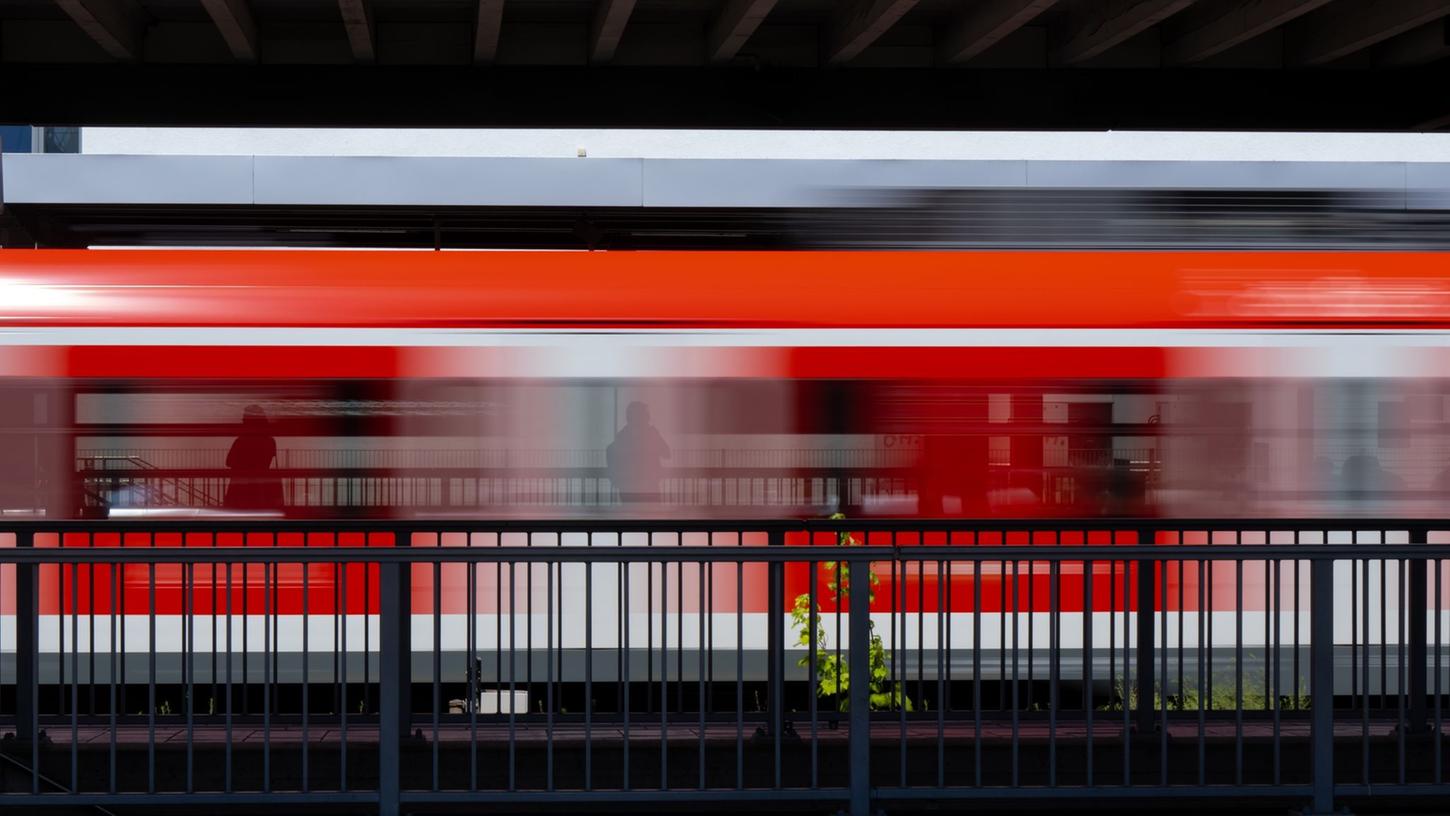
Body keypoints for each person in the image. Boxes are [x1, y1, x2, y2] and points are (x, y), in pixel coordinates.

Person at [607, 402, 670, 503]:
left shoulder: (622, 436)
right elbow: (667, 453)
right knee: (653, 513)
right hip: (649, 486)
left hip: (629, 487)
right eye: (646, 415)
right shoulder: (651, 434)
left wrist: (616, 479)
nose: (648, 418)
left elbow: (610, 451)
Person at [224, 405, 283, 511]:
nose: (242, 419)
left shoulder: (240, 441)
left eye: (244, 417)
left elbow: (228, 462)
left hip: (241, 489)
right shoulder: (270, 441)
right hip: (262, 490)